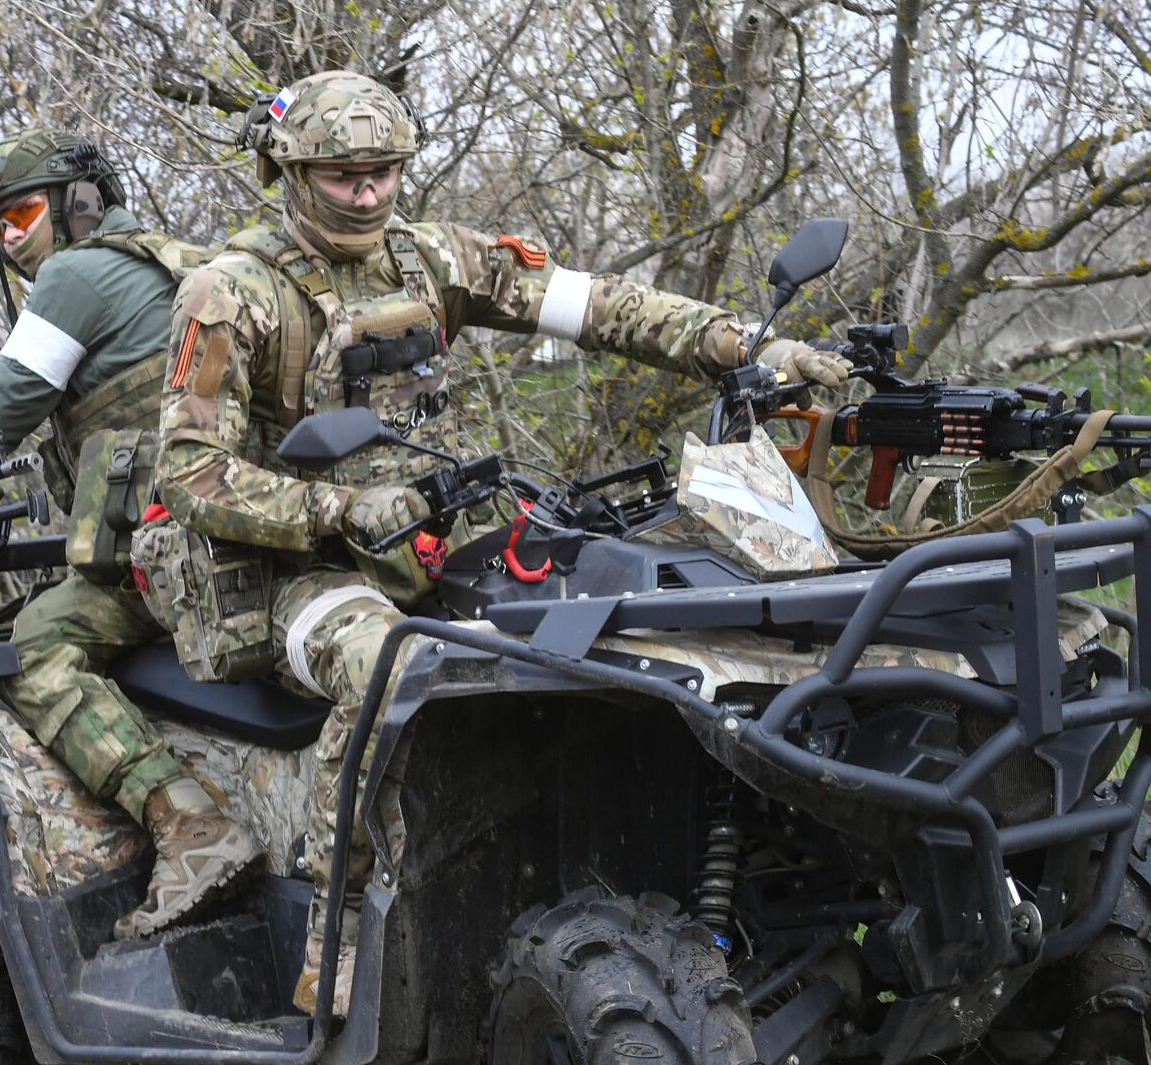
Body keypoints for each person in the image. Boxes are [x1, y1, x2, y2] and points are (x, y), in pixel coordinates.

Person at [147, 70, 853, 1015]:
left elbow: (601, 306)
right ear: (291, 169)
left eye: (385, 172)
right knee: (385, 665)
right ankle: (337, 931)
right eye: (344, 176)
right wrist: (331, 513)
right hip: (295, 574)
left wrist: (742, 348)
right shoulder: (230, 294)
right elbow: (187, 473)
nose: (368, 194)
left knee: (614, 627)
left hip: (426, 544)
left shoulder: (435, 260)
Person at [0, 126, 260, 940]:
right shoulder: (177, 263)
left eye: (23, 212)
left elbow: (0, 403)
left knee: (32, 640)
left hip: (177, 561)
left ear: (81, 203)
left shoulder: (76, 276)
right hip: (246, 535)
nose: (10, 237)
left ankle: (188, 826)